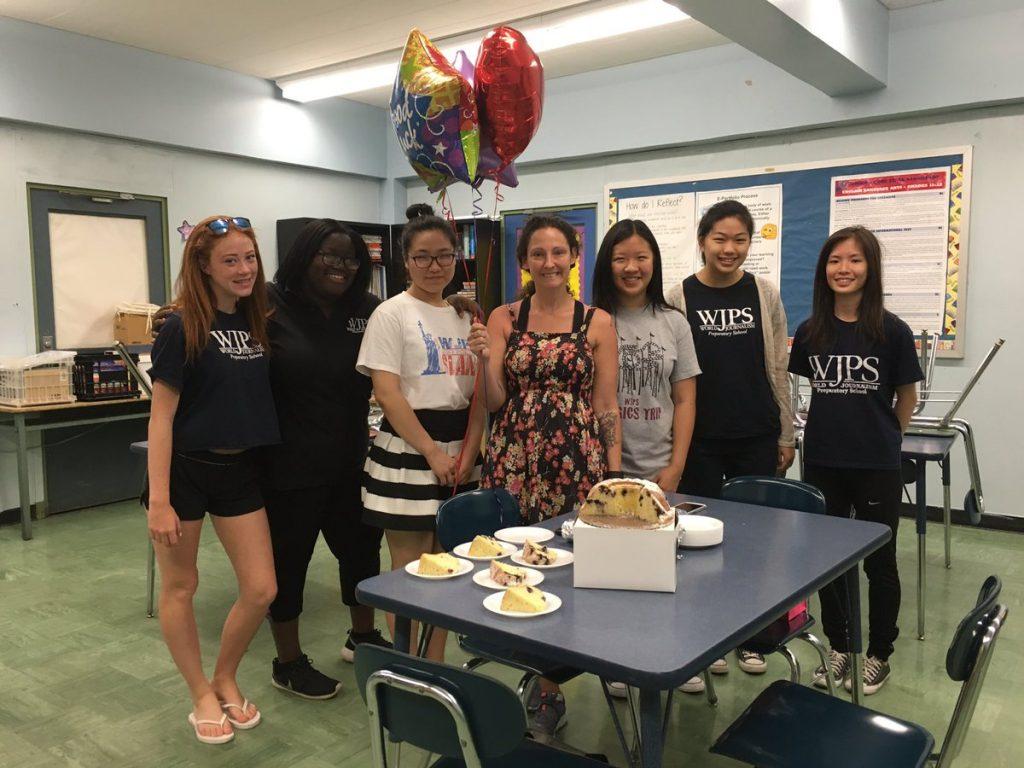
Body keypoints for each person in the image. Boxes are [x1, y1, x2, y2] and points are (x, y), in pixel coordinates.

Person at [475, 214, 620, 737]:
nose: (549, 262)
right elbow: (495, 401)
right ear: (524, 263)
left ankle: (555, 680)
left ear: (574, 256)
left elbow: (606, 402)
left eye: (559, 252)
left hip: (577, 459)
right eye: (538, 253)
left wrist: (615, 467)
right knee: (518, 558)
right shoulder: (504, 316)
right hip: (514, 454)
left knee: (568, 565)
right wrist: (485, 361)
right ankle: (535, 676)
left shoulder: (597, 321)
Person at [145, 216, 278, 744]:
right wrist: (159, 501)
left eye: (249, 258)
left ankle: (225, 675)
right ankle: (200, 690)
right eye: (230, 260)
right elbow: (161, 418)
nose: (244, 269)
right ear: (203, 266)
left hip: (239, 470)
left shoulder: (256, 320)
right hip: (185, 473)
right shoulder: (181, 327)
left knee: (261, 588)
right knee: (181, 587)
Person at [789, 225, 922, 695]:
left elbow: (907, 395)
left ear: (871, 269)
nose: (843, 270)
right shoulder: (811, 331)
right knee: (829, 560)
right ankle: (841, 645)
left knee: (879, 561)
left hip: (876, 466)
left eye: (855, 260)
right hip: (824, 461)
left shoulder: (892, 331)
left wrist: (888, 438)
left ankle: (879, 653)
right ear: (824, 270)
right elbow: (803, 387)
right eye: (834, 261)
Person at [666, 198, 796, 677]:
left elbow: (777, 367)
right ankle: (704, 640)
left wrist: (786, 431)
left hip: (755, 433)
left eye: (740, 239)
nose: (730, 248)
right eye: (720, 238)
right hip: (699, 438)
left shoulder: (763, 293)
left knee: (754, 541)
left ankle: (751, 638)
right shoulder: (678, 296)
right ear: (702, 241)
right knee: (696, 541)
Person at [263, 219, 391, 701]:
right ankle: (288, 662)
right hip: (287, 467)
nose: (340, 266)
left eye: (351, 258)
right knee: (288, 565)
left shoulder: (368, 310)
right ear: (305, 255)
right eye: (330, 255)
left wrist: (457, 307)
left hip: (350, 459)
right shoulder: (269, 304)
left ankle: (361, 636)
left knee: (361, 553)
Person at [356, 205, 485, 662]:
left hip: (461, 452)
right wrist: (431, 452)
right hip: (410, 450)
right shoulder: (391, 314)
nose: (435, 267)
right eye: (423, 257)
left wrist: (470, 452)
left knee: (450, 566)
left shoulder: (468, 315)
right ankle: (410, 664)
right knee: (410, 571)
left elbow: (478, 395)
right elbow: (388, 394)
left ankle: (436, 665)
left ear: (456, 259)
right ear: (405, 261)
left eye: (444, 256)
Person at [592, 218, 704, 695]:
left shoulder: (673, 321)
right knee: (615, 569)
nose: (632, 267)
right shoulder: (593, 318)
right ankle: (620, 658)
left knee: (667, 566)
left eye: (641, 258)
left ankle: (673, 658)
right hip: (604, 464)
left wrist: (676, 464)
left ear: (654, 263)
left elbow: (685, 398)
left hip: (662, 463)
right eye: (621, 259)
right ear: (607, 264)